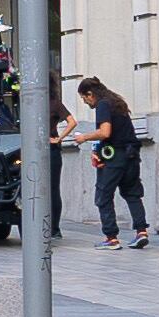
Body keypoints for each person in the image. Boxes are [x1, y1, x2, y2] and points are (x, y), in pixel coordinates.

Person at [61, 77, 149, 249]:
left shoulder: (103, 105)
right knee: (132, 194)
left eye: (84, 98)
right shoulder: (117, 102)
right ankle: (141, 232)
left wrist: (83, 137)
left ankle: (111, 238)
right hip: (131, 155)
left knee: (103, 196)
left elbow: (105, 132)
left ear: (90, 94)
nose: (85, 102)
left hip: (114, 157)